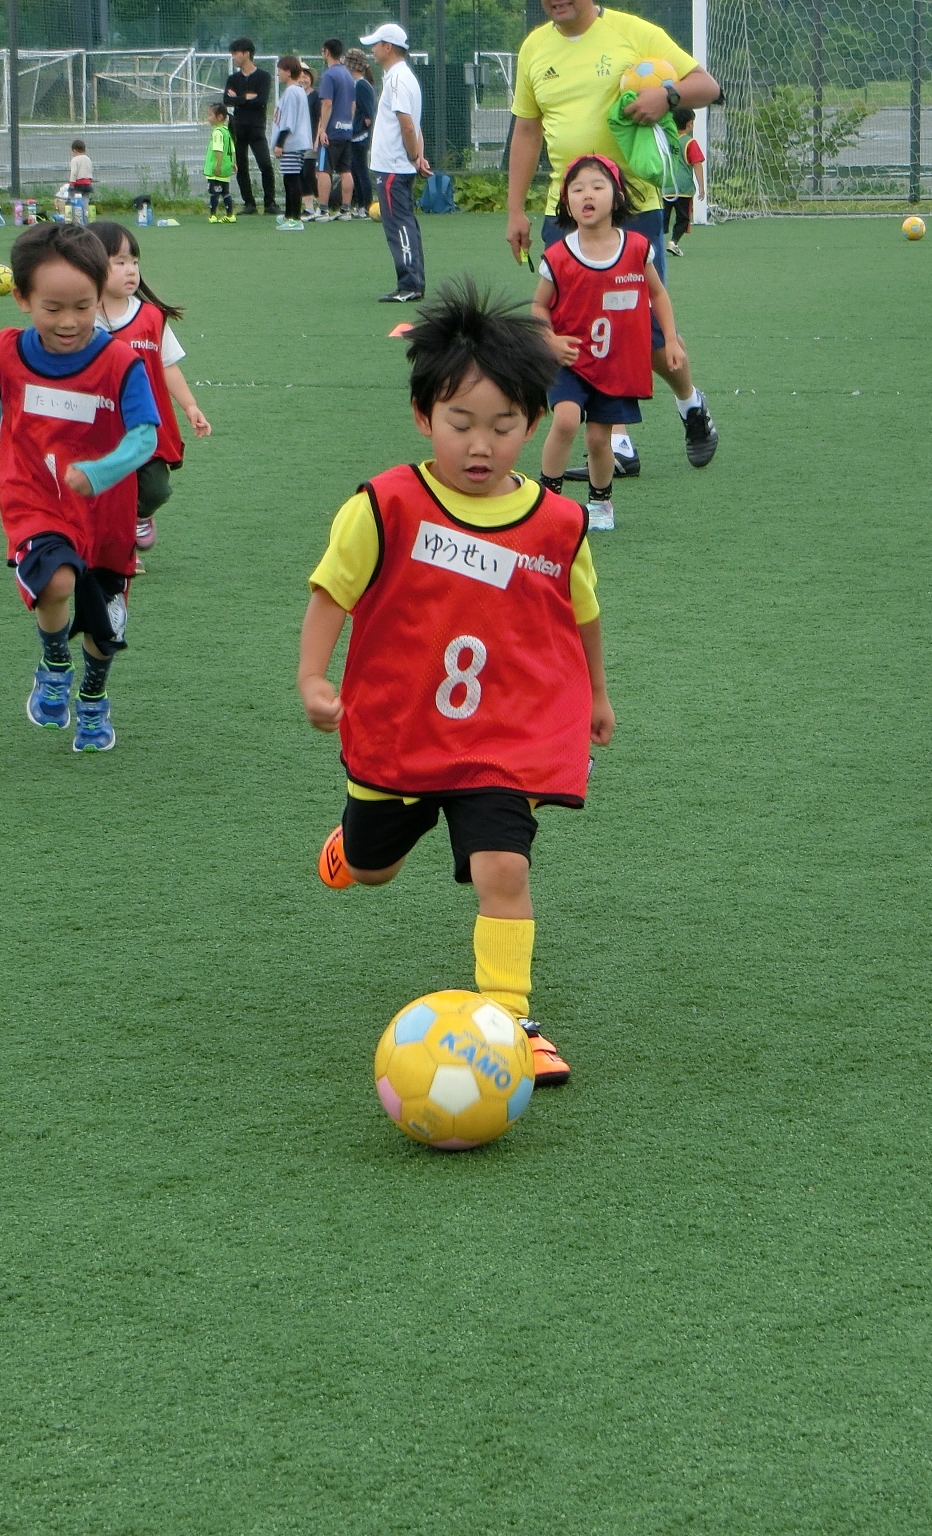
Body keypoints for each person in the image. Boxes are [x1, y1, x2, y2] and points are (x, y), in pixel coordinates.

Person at [298, 280, 613, 1088]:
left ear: (533, 424)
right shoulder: (386, 505)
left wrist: (598, 696)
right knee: (371, 870)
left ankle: (510, 1020)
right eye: (460, 424)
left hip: (501, 734)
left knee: (503, 867)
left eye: (504, 427)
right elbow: (332, 590)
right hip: (400, 730)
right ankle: (353, 849)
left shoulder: (556, 522)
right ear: (422, 417)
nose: (481, 445)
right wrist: (313, 677)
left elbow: (580, 613)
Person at [504, 0, 721, 475]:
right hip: (564, 217)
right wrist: (515, 208)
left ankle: (690, 403)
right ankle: (616, 445)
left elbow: (706, 85)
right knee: (574, 329)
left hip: (632, 210)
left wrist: (667, 96)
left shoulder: (631, 33)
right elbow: (526, 129)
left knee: (647, 335)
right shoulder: (534, 48)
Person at [0, 222, 159, 754]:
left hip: (105, 512)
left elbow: (146, 437)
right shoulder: (4, 349)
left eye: (84, 305)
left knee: (105, 626)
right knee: (55, 581)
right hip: (35, 497)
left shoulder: (120, 363)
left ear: (101, 296)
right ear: (22, 298)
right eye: (52, 308)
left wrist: (100, 472)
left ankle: (94, 698)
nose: (70, 321)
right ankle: (54, 661)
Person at [532, 155, 681, 533]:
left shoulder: (636, 249)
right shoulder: (557, 256)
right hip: (571, 360)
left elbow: (658, 294)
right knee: (565, 419)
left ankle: (600, 501)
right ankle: (548, 499)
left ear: (616, 198)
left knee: (600, 438)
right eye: (577, 188)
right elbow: (537, 305)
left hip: (616, 363)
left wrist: (673, 339)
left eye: (597, 186)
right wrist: (549, 340)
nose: (587, 194)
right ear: (566, 202)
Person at [88, 221, 212, 556]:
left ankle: (139, 517)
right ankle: (115, 547)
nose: (131, 270)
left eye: (135, 262)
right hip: (101, 425)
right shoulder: (82, 321)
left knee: (155, 489)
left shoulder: (150, 317)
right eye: (120, 262)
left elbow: (167, 365)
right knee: (106, 490)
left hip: (147, 422)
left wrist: (190, 406)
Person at [365, 24, 429, 303]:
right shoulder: (403, 77)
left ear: (388, 47)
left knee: (399, 226)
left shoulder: (397, 79)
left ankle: (410, 285)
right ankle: (413, 282)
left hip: (392, 167)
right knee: (405, 224)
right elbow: (415, 126)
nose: (373, 49)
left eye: (376, 44)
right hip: (396, 166)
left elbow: (406, 125)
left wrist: (414, 157)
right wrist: (418, 156)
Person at [223, 39, 277, 217]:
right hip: (237, 127)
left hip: (256, 127)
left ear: (246, 53)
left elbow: (261, 100)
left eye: (236, 53)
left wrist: (239, 98)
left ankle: (270, 203)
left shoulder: (263, 77)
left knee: (265, 165)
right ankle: (249, 203)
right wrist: (245, 97)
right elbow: (227, 101)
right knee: (241, 166)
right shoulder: (233, 79)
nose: (234, 57)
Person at [312, 39, 356, 220]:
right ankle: (346, 210)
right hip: (346, 130)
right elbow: (353, 104)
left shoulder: (329, 75)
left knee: (323, 170)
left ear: (326, 52)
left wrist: (323, 129)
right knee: (345, 170)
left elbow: (327, 103)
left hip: (332, 132)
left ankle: (323, 209)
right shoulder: (348, 74)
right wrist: (348, 123)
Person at [272, 55, 314, 230]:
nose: (278, 75)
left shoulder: (292, 92)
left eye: (280, 71)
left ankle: (295, 218)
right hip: (294, 142)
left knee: (292, 179)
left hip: (291, 143)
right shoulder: (296, 90)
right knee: (289, 178)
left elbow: (288, 121)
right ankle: (290, 214)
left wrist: (279, 143)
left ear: (288, 71)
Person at [664, 108, 706, 256]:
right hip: (683, 188)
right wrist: (701, 186)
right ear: (689, 124)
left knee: (662, 217)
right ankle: (674, 241)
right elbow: (697, 163)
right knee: (683, 218)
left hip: (665, 186)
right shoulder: (690, 142)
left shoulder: (666, 139)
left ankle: (652, 242)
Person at [348, 50, 377, 217]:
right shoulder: (358, 84)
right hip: (355, 135)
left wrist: (363, 127)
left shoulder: (361, 85)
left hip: (360, 135)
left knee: (361, 170)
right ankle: (360, 204)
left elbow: (367, 114)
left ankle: (365, 205)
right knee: (355, 170)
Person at [204, 103, 235, 222]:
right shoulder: (226, 131)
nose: (208, 118)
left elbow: (218, 149)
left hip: (217, 169)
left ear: (220, 117)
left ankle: (212, 215)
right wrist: (234, 163)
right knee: (226, 192)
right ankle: (230, 215)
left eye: (210, 115)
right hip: (227, 168)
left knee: (214, 193)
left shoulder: (217, 132)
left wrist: (217, 164)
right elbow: (232, 149)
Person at [61, 139, 94, 210]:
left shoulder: (75, 159)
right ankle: (85, 213)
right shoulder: (88, 159)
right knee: (85, 199)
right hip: (87, 183)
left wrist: (71, 183)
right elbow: (90, 170)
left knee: (72, 197)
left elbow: (74, 172)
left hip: (78, 184)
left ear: (74, 150)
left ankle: (75, 213)